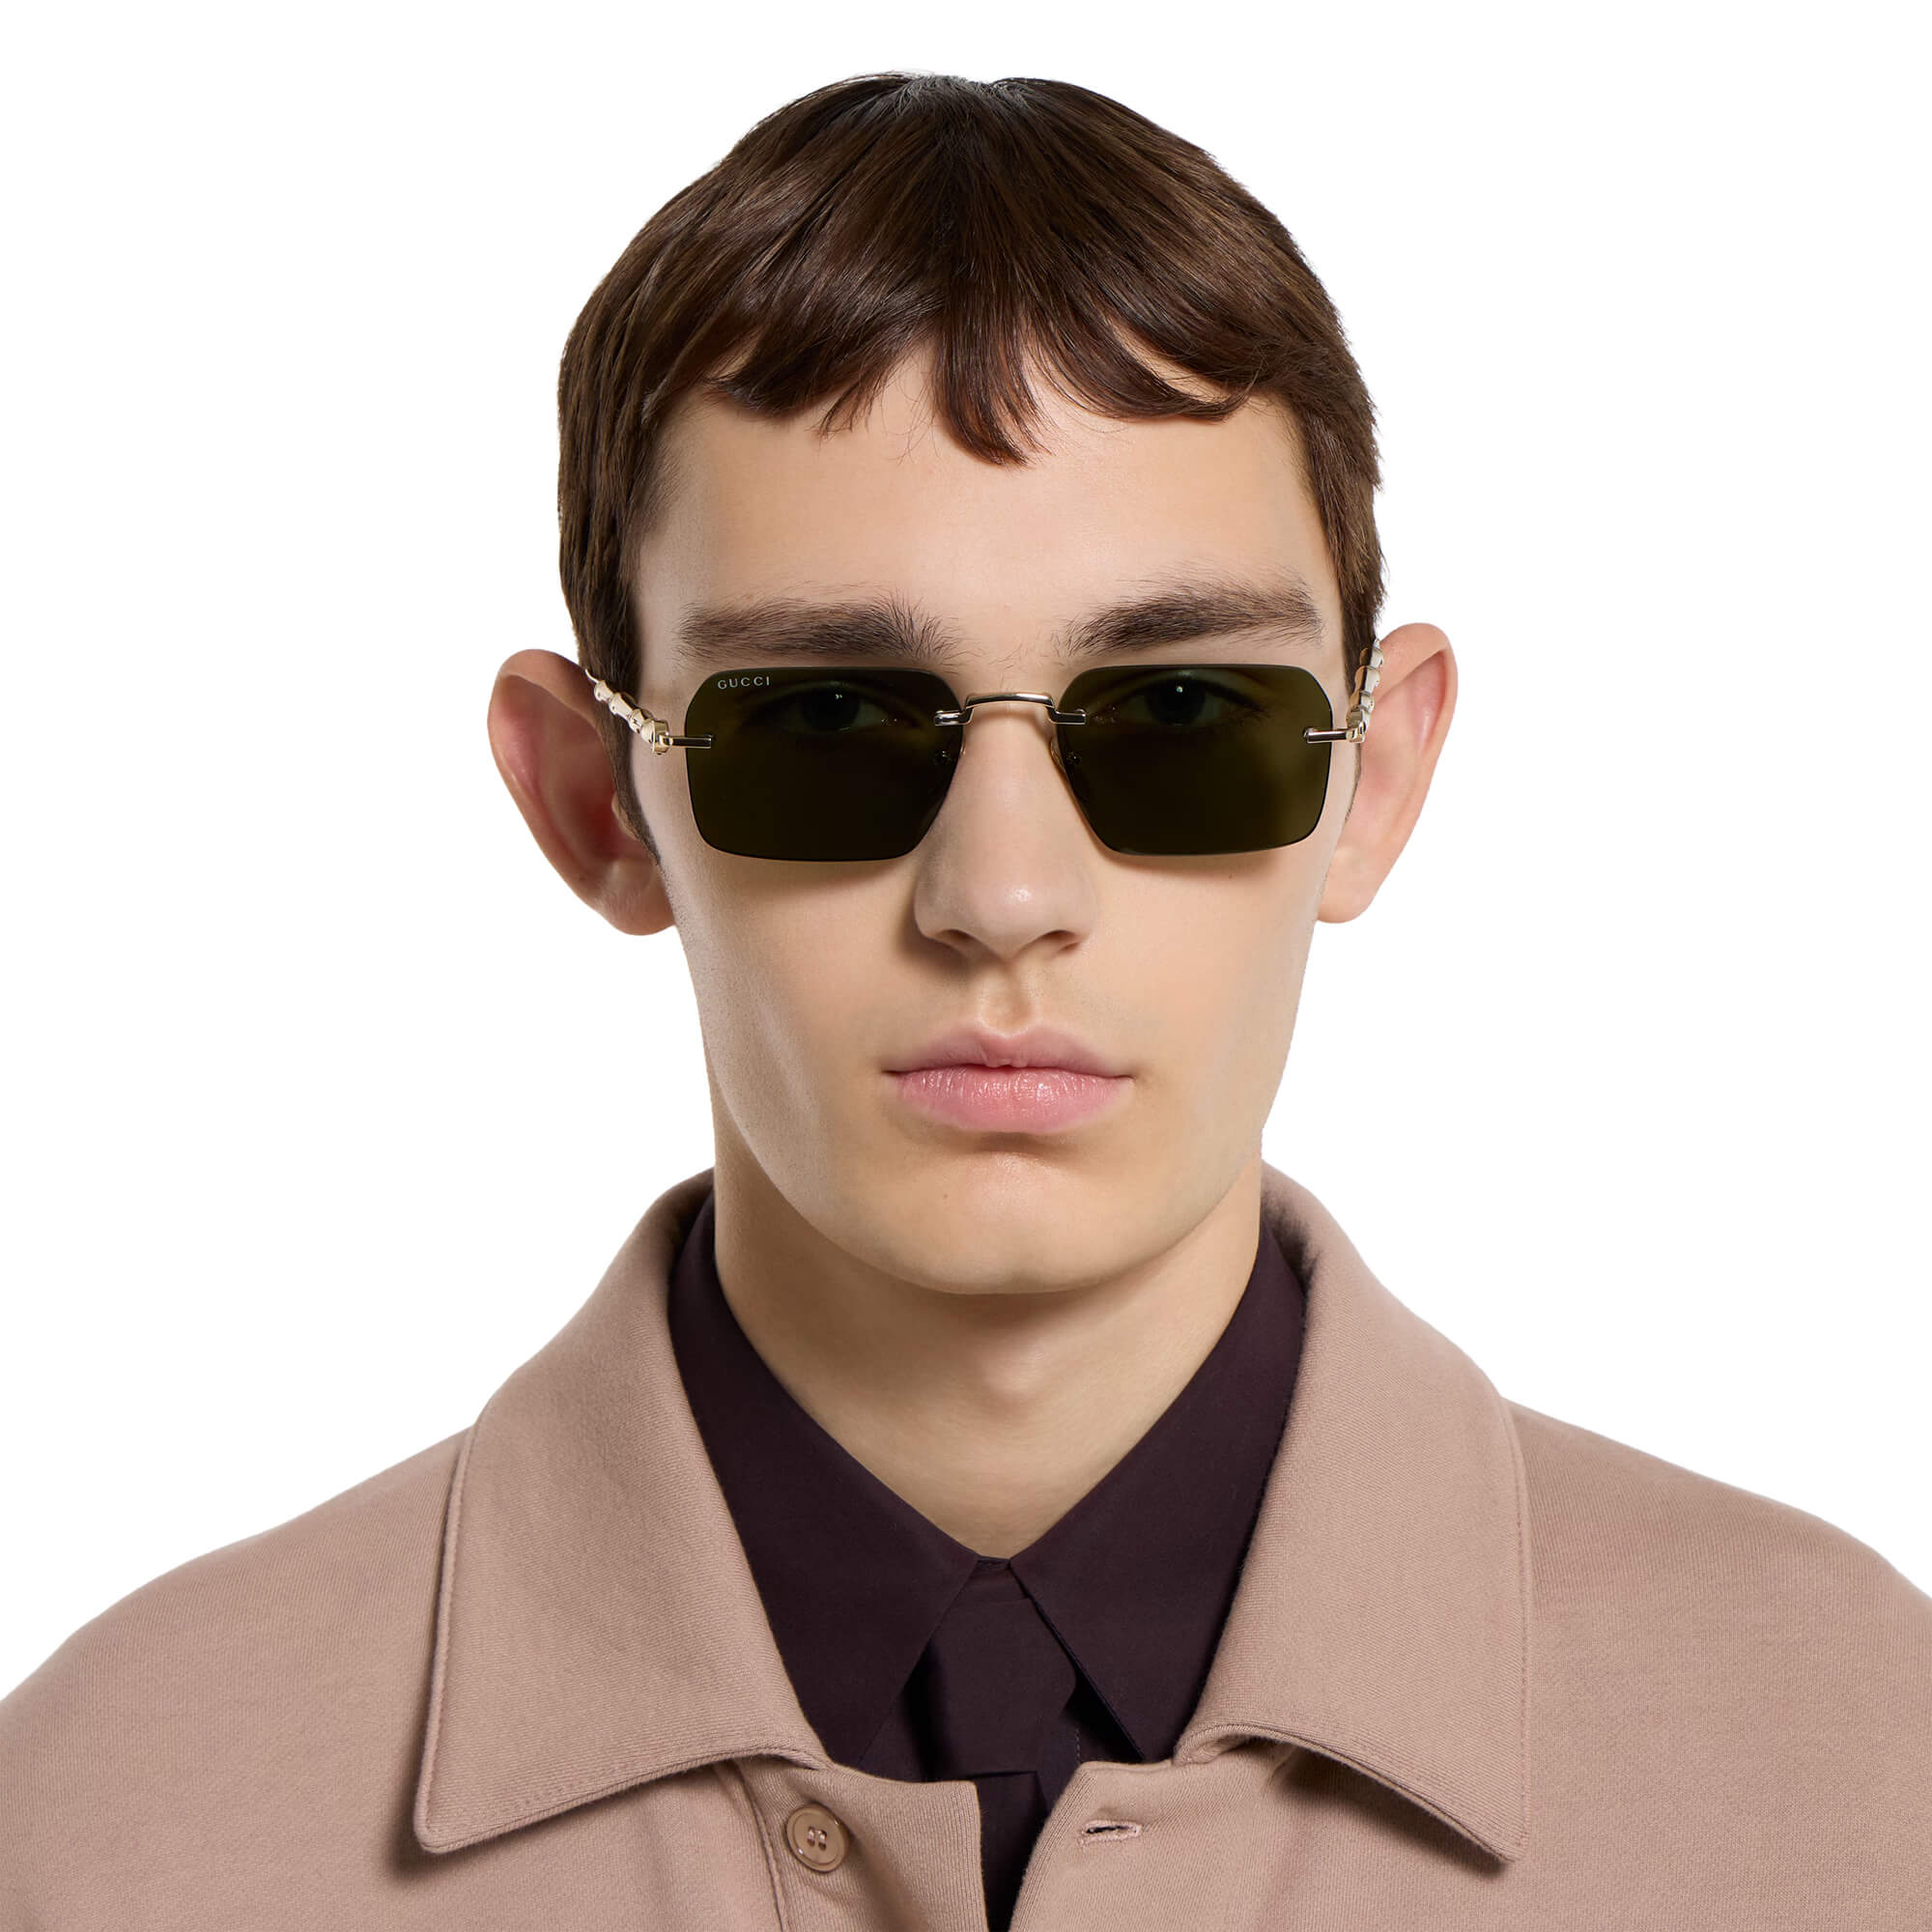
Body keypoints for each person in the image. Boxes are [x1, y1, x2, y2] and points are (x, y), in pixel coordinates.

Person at [2, 71, 1926, 1932]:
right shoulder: (110, 1825)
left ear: (1376, 778)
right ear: (598, 803)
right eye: (828, 722)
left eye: (1184, 715)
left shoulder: (1863, 1767)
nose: (1004, 896)